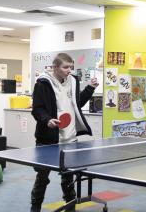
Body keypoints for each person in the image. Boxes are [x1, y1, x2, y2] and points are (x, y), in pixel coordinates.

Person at [30, 53, 99, 212]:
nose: (69, 70)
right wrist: (47, 119)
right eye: (65, 67)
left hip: (69, 138)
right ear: (55, 67)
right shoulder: (43, 83)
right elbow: (37, 109)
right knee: (42, 178)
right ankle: (35, 208)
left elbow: (77, 103)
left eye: (71, 67)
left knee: (68, 179)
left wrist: (90, 88)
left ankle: (70, 208)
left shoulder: (73, 81)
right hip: (48, 139)